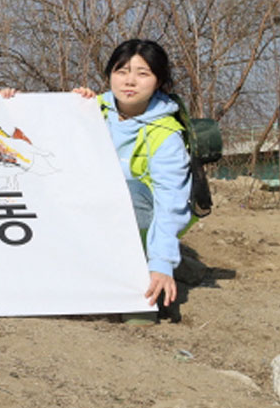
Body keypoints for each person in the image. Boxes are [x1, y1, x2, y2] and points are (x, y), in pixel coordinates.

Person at [73, 39, 193, 321]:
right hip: (82, 218)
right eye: (121, 71)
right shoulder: (89, 110)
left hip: (135, 222)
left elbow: (170, 203)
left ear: (159, 81)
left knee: (127, 190)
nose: (130, 81)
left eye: (143, 73)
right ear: (109, 75)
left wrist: (161, 264)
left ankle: (138, 287)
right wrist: (10, 102)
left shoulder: (166, 135)